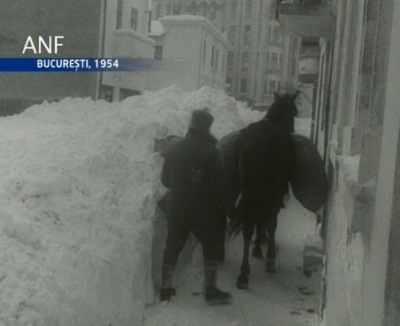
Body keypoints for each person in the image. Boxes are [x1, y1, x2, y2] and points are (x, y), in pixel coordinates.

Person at [160, 108, 236, 304]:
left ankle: (165, 289)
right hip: (202, 212)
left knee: (172, 246)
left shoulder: (173, 148)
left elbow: (165, 180)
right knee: (211, 246)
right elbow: (218, 186)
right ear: (206, 128)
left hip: (176, 209)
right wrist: (227, 208)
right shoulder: (210, 152)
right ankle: (210, 290)